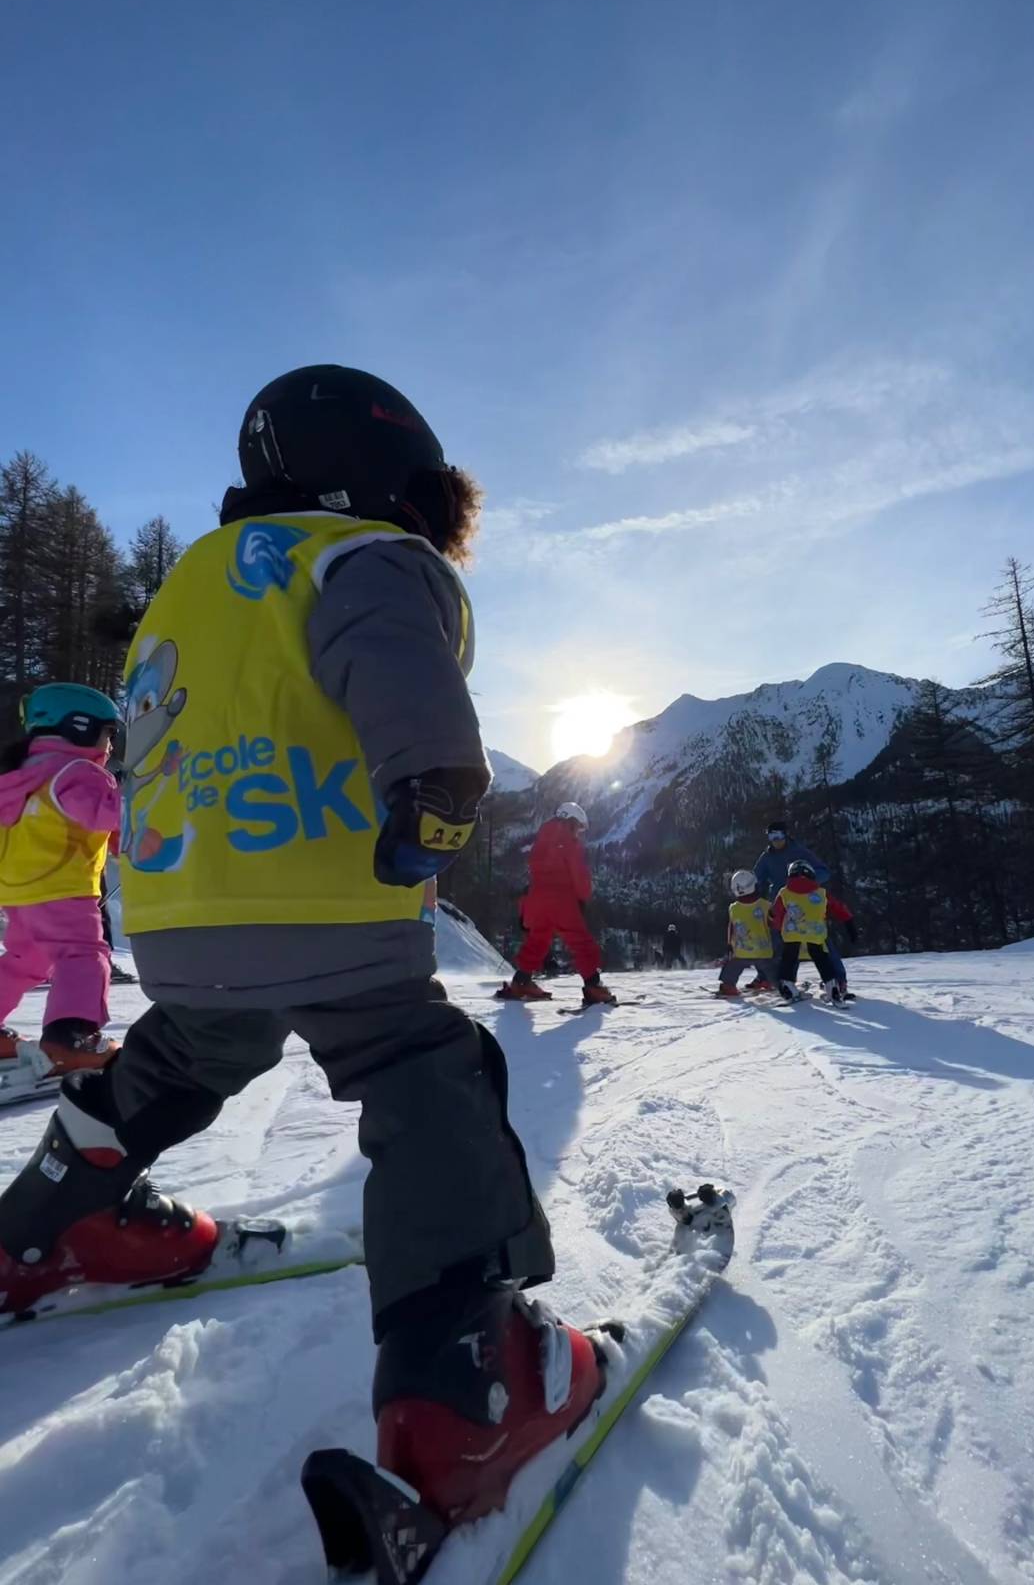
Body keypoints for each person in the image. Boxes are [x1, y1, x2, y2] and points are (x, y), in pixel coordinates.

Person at [0, 365, 603, 1528]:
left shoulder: (189, 586)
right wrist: (435, 783)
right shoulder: (362, 554)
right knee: (422, 1069)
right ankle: (461, 1378)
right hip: (328, 899)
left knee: (187, 1051)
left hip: (176, 913)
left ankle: (44, 1225)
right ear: (395, 479)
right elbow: (390, 651)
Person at [0, 683, 123, 1073]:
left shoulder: (15, 776)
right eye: (108, 733)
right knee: (82, 955)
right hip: (63, 888)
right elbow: (99, 815)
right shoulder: (79, 771)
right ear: (80, 726)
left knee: (25, 959)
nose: (110, 746)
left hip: (17, 892)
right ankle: (72, 1037)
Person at [498, 802, 616, 1005]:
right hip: (561, 900)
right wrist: (583, 897)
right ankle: (593, 986)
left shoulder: (541, 840)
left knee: (538, 940)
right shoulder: (569, 842)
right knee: (581, 942)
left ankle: (521, 982)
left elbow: (537, 871)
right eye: (578, 827)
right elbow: (578, 874)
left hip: (536, 899)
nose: (579, 832)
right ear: (570, 821)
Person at [770, 860, 855, 1003]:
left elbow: (775, 914)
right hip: (816, 935)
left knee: (788, 960)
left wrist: (777, 929)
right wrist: (849, 924)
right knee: (822, 959)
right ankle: (832, 988)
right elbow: (838, 908)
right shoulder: (821, 893)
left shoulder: (784, 893)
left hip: (792, 935)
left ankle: (788, 988)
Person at [717, 869, 777, 998]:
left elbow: (731, 927)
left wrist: (729, 945)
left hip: (741, 951)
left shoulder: (733, 908)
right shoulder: (766, 905)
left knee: (732, 968)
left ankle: (728, 986)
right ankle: (777, 984)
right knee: (771, 969)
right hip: (763, 950)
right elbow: (774, 924)